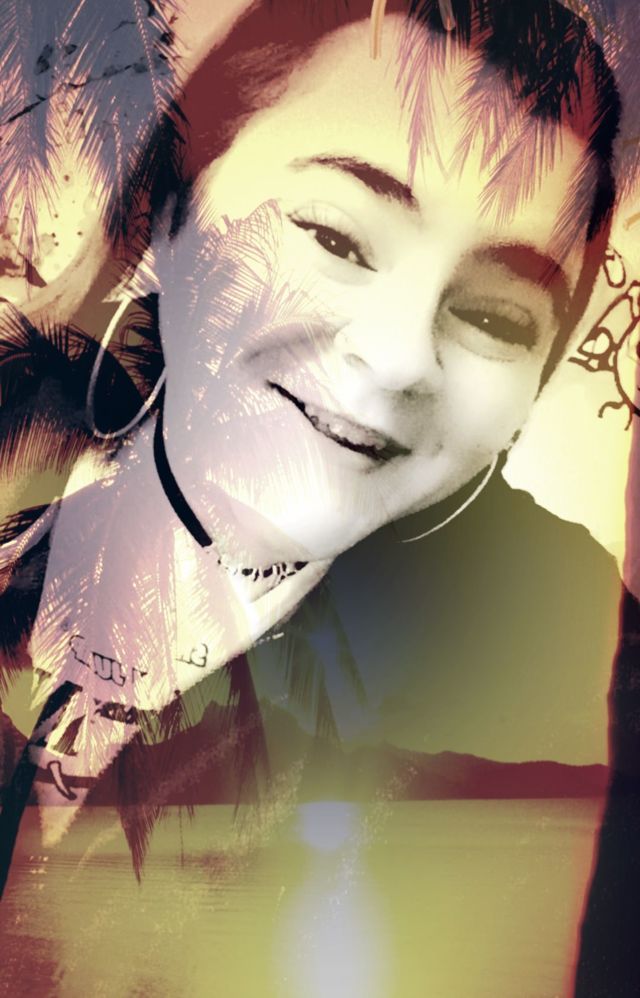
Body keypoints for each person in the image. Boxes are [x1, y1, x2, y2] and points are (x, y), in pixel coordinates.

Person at [0, 0, 629, 994]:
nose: (399, 356)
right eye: (337, 237)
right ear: (171, 216)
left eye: (495, 318)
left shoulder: (559, 682)